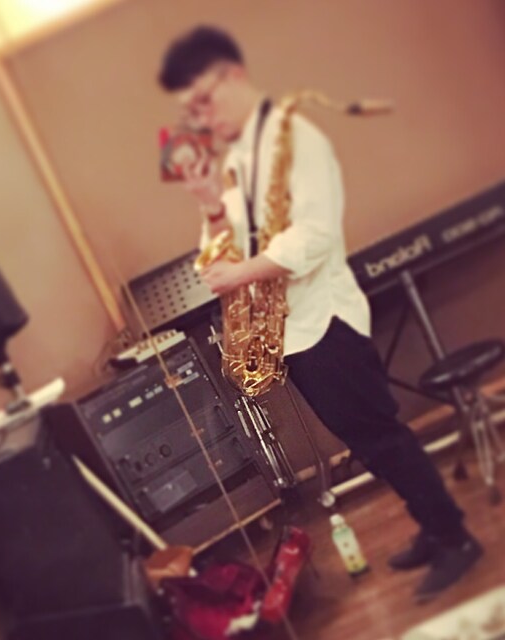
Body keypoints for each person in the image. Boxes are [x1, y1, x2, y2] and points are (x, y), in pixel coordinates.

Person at [157, 25, 482, 603]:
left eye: (204, 100)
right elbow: (220, 249)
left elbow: (314, 235)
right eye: (191, 111)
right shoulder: (240, 160)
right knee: (369, 441)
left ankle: (455, 538)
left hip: (324, 321)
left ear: (234, 75)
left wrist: (244, 272)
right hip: (294, 330)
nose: (201, 118)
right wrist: (209, 206)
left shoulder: (295, 140)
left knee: (382, 437)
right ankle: (434, 527)